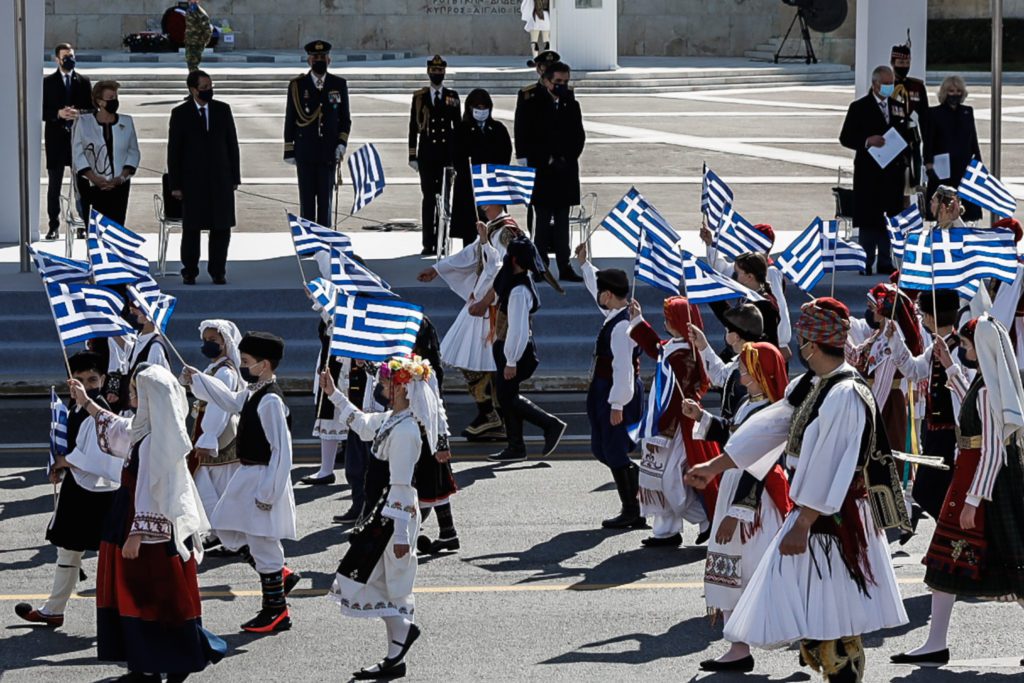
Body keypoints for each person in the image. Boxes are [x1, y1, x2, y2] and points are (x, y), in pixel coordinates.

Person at [685, 298, 910, 682]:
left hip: (831, 518)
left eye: (804, 339)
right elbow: (768, 428)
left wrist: (804, 520)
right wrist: (715, 465)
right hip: (812, 513)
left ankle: (842, 674)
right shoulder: (812, 385)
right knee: (817, 610)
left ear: (812, 344)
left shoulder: (844, 395)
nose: (800, 346)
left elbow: (830, 464)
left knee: (833, 612)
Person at [78, 364, 225, 681]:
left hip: (146, 531)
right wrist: (87, 402)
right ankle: (154, 664)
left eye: (136, 391)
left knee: (148, 598)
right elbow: (118, 430)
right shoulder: (147, 430)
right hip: (134, 521)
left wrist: (138, 534)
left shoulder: (155, 440)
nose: (131, 396)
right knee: (153, 598)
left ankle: (163, 664)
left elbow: (153, 490)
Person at [891, 316, 1024, 666]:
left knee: (1014, 565)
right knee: (947, 562)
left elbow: (993, 452)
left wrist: (972, 500)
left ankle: (936, 643)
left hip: (979, 485)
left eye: (965, 347)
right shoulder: (985, 384)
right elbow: (972, 411)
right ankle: (936, 643)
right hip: (970, 479)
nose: (962, 351)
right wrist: (949, 368)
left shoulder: (986, 390)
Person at [322, 355, 440, 680]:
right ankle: (396, 654)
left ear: (402, 388)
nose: (381, 385)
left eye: (387, 381)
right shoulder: (392, 419)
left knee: (375, 582)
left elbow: (402, 485)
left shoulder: (406, 431)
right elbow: (361, 425)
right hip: (381, 514)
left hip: (392, 517)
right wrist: (333, 393)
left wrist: (401, 536)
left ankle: (401, 639)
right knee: (378, 583)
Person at [682, 342, 793, 673]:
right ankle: (738, 646)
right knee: (733, 570)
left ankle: (803, 634)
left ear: (762, 373)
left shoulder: (772, 411)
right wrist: (701, 417)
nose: (741, 373)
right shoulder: (749, 404)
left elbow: (756, 464)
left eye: (746, 368)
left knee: (754, 571)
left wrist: (736, 512)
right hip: (735, 488)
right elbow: (732, 439)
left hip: (752, 502)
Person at [182, 332, 302, 633]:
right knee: (227, 526)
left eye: (247, 362)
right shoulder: (254, 392)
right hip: (250, 477)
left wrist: (268, 493)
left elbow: (282, 452)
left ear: (264, 365)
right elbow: (230, 399)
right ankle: (278, 596)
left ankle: (275, 610)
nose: (242, 366)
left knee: (263, 543)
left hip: (262, 479)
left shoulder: (270, 399)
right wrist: (198, 380)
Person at [14, 352, 119, 628]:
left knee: (111, 554)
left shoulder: (99, 408)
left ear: (103, 379)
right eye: (79, 380)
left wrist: (64, 461)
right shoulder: (75, 407)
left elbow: (99, 455)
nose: (86, 385)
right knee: (69, 550)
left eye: (93, 379)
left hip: (99, 493)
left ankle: (121, 612)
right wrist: (58, 465)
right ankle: (54, 609)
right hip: (79, 488)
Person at [419, 207, 521, 442]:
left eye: (487, 202)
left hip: (491, 306)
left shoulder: (506, 231)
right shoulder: (495, 228)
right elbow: (471, 254)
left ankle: (493, 415)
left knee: (480, 362)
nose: (482, 206)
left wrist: (487, 300)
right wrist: (437, 269)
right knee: (482, 363)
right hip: (482, 301)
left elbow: (501, 269)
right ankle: (492, 415)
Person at [630, 296, 720, 547]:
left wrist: (657, 428)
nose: (665, 322)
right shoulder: (674, 347)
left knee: (670, 479)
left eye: (670, 318)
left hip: (677, 424)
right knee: (657, 477)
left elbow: (674, 387)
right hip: (663, 423)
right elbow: (656, 347)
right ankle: (666, 531)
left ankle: (706, 518)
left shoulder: (686, 357)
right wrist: (638, 319)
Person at [576, 244, 646, 529]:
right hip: (607, 388)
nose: (599, 297)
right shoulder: (617, 314)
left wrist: (617, 404)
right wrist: (585, 265)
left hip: (616, 390)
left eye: (601, 293)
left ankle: (632, 509)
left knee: (613, 449)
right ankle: (639, 489)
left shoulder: (620, 327)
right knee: (603, 448)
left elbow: (623, 367)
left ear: (609, 295)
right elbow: (598, 288)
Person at [884, 289, 962, 526]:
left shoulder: (957, 348)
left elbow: (963, 394)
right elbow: (914, 370)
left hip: (951, 434)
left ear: (930, 316)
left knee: (928, 492)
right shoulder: (938, 345)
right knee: (929, 492)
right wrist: (895, 340)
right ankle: (951, 532)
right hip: (934, 430)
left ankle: (954, 532)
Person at [488, 236, 567, 462]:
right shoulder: (516, 280)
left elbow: (518, 329)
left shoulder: (519, 291)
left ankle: (550, 424)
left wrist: (511, 361)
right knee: (507, 397)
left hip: (515, 352)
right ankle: (516, 447)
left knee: (507, 398)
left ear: (513, 259)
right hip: (508, 348)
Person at [167, 69, 241, 286]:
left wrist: (235, 176)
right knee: (192, 229)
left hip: (221, 179)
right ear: (193, 90)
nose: (209, 90)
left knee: (221, 227)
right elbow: (174, 151)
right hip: (192, 182)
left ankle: (218, 270)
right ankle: (189, 270)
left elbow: (232, 145)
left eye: (210, 86)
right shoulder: (180, 113)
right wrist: (175, 184)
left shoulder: (222, 110)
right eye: (204, 87)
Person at [839, 65, 911, 276]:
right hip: (869, 173)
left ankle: (886, 261)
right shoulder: (859, 107)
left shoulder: (898, 106)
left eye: (892, 84)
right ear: (875, 84)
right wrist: (867, 141)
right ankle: (866, 259)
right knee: (869, 220)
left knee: (888, 218)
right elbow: (845, 138)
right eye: (886, 84)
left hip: (892, 172)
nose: (889, 88)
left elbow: (906, 134)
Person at [518, 61, 585, 282]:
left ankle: (565, 265)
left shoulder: (571, 104)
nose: (562, 86)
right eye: (558, 82)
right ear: (546, 81)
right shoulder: (532, 103)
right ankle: (540, 266)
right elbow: (527, 136)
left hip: (565, 171)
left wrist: (565, 158)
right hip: (543, 171)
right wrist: (546, 159)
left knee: (563, 221)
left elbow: (578, 136)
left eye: (565, 82)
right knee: (542, 221)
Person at [851, 283, 923, 460]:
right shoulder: (878, 334)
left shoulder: (891, 341)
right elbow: (857, 358)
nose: (869, 311)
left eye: (872, 307)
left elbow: (883, 383)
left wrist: (871, 421)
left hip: (886, 403)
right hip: (876, 399)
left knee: (884, 455)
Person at [284, 40, 351, 229]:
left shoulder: (338, 84)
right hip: (305, 151)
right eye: (315, 58)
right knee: (306, 199)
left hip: (328, 151)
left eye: (323, 57)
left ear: (329, 60)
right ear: (309, 61)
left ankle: (325, 239)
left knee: (325, 200)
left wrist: (341, 143)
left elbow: (345, 119)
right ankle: (309, 241)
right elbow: (290, 118)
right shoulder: (297, 86)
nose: (319, 61)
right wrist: (289, 149)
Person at [189, 320, 243, 551]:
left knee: (219, 488)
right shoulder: (215, 369)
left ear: (225, 343)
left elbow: (218, 407)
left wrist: (208, 437)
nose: (208, 344)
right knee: (208, 484)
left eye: (213, 341)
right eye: (206, 340)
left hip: (220, 436)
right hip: (210, 432)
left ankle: (233, 540)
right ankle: (217, 532)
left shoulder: (225, 372)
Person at [410, 319, 460, 555]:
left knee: (425, 487)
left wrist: (441, 442)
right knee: (432, 487)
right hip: (420, 436)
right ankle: (448, 533)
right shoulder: (413, 367)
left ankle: (408, 532)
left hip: (426, 437)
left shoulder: (424, 371)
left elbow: (437, 409)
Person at [408, 55, 460, 256]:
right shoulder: (419, 97)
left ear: (444, 73)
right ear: (428, 72)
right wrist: (412, 155)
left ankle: (443, 240)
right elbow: (413, 126)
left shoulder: (452, 96)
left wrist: (456, 157)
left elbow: (457, 128)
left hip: (446, 156)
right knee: (429, 199)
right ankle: (428, 242)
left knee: (444, 201)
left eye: (440, 71)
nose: (437, 74)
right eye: (434, 71)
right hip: (427, 155)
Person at [71, 80, 139, 227]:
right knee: (95, 231)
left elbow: (133, 152)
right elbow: (78, 153)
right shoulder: (84, 122)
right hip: (91, 185)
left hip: (119, 186)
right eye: (110, 98)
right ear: (100, 102)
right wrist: (94, 178)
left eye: (116, 97)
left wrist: (121, 177)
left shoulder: (127, 122)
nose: (115, 101)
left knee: (116, 229)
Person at [42, 42, 92, 240]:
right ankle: (53, 226)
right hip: (56, 140)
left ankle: (83, 224)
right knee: (54, 185)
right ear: (57, 59)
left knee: (81, 185)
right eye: (65, 56)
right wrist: (58, 113)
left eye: (71, 55)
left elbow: (91, 109)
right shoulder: (48, 83)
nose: (69, 59)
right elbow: (41, 110)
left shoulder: (83, 81)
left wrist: (78, 113)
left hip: (78, 140)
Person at [450, 89, 512, 247]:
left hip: (493, 185)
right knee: (471, 235)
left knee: (495, 232)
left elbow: (506, 153)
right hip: (469, 187)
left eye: (485, 107)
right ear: (470, 108)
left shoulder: (498, 129)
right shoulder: (461, 129)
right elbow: (456, 156)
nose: (481, 110)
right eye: (478, 106)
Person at [691, 302, 764, 426]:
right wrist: (703, 345)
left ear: (735, 337)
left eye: (728, 329)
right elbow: (721, 376)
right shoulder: (739, 360)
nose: (726, 332)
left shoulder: (749, 369)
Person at [514, 49, 560, 236]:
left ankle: (553, 238)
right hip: (535, 155)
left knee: (557, 199)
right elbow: (520, 126)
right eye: (545, 67)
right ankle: (536, 235)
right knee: (536, 199)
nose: (548, 71)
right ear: (539, 69)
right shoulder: (528, 94)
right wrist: (522, 154)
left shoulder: (564, 92)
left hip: (557, 155)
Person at [924, 76, 982, 222]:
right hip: (943, 167)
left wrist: (978, 163)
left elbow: (973, 140)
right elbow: (928, 141)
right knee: (944, 208)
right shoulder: (934, 113)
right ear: (944, 92)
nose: (955, 94)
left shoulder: (967, 112)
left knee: (966, 209)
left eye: (958, 91)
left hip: (964, 165)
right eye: (951, 91)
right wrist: (928, 164)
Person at [890, 40, 929, 193]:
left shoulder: (917, 86)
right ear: (893, 62)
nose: (904, 65)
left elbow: (925, 115)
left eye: (907, 62)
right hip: (892, 137)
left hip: (912, 137)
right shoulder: (886, 84)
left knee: (911, 184)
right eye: (900, 62)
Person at [183, 1, 212, 72]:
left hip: (196, 42)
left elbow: (207, 29)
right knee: (190, 63)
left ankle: (196, 80)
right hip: (190, 41)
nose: (190, 1)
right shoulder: (190, 10)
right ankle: (194, 79)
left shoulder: (200, 12)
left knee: (193, 63)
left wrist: (202, 41)